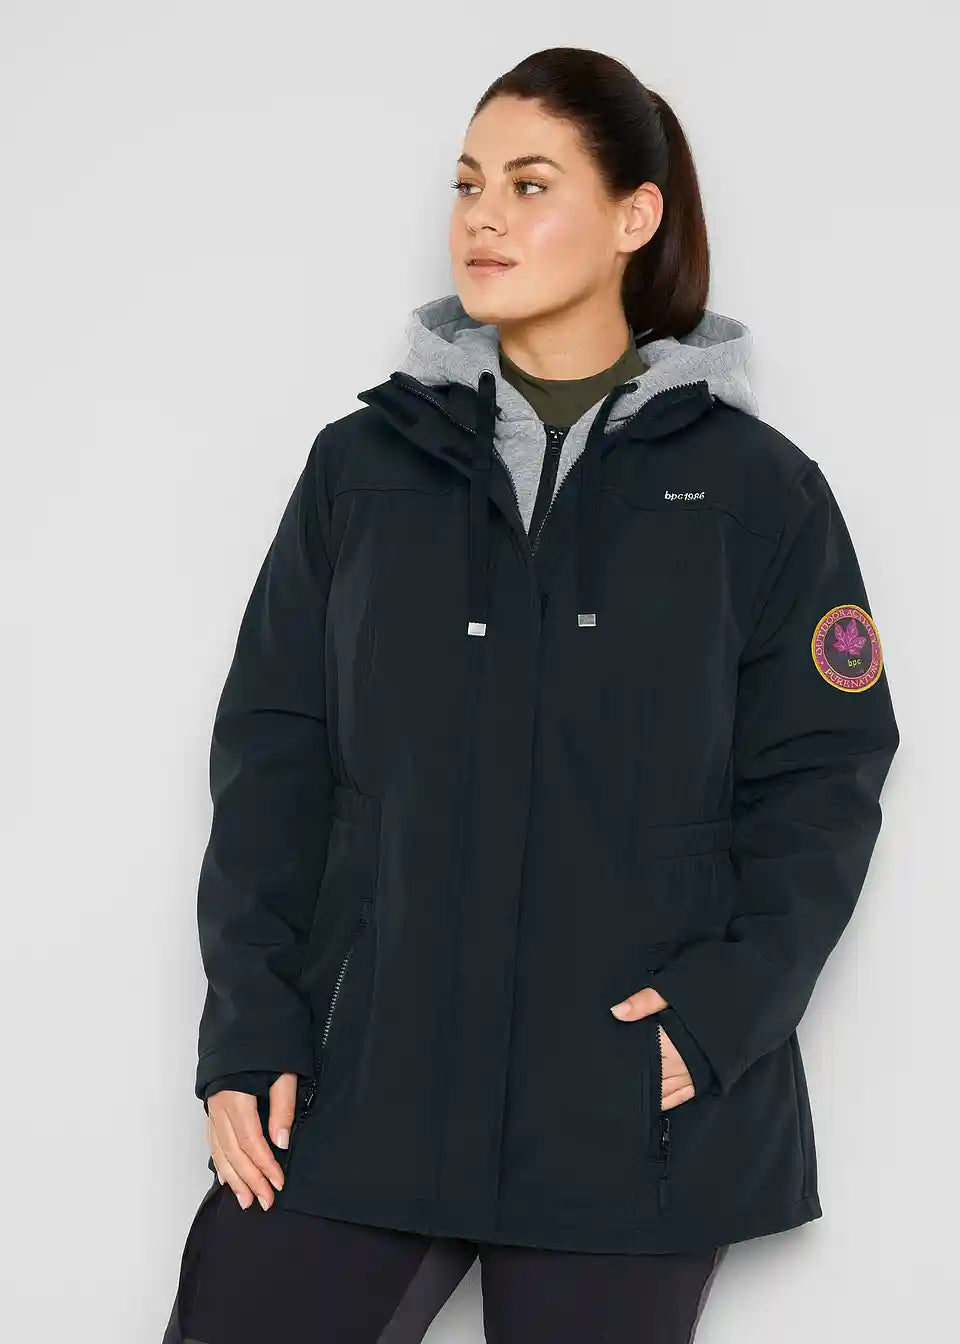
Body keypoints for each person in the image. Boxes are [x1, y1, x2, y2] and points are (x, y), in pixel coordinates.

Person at [162, 45, 900, 1344]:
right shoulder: (360, 471)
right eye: (468, 184)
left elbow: (823, 783)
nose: (483, 218)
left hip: (621, 1109)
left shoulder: (761, 495)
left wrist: (712, 1022)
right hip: (362, 1081)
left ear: (634, 216)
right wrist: (251, 1031)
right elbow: (272, 759)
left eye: (530, 183)